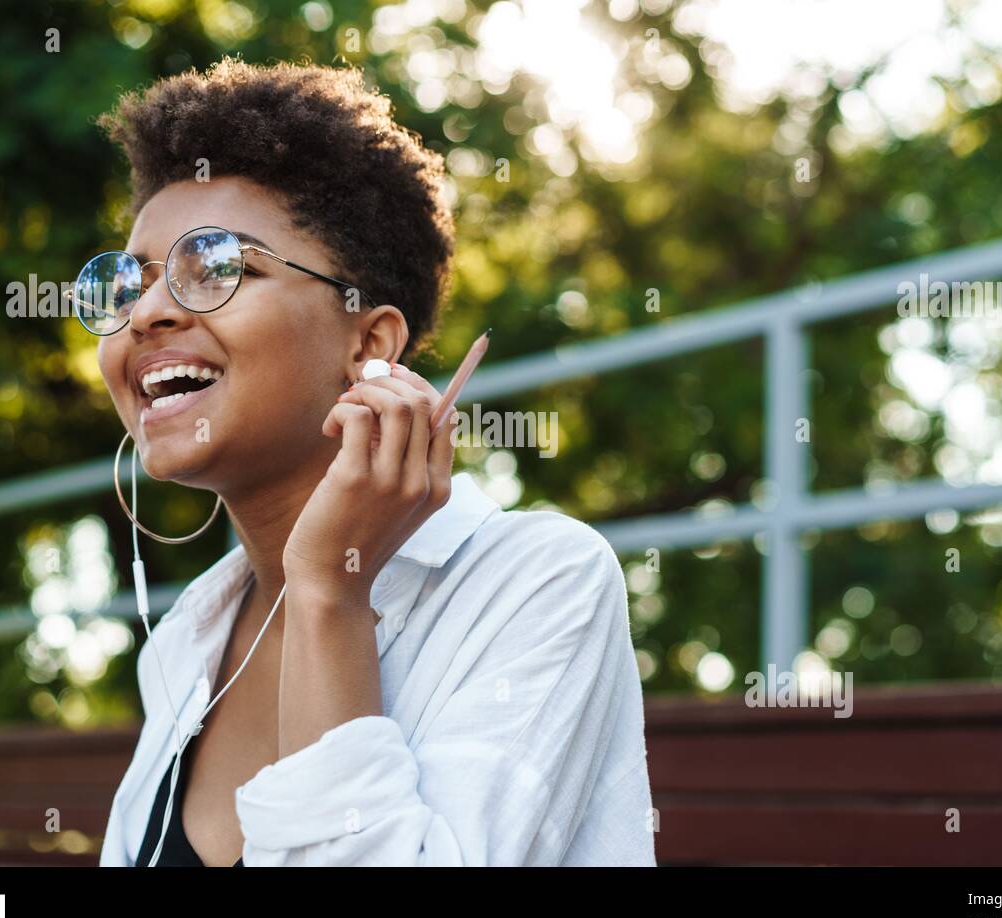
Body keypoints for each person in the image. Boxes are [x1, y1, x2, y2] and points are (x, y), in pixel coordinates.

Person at [87, 57, 655, 866]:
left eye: (216, 267)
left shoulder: (540, 581)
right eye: (128, 285)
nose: (146, 314)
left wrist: (329, 591)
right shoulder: (186, 640)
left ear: (369, 344)